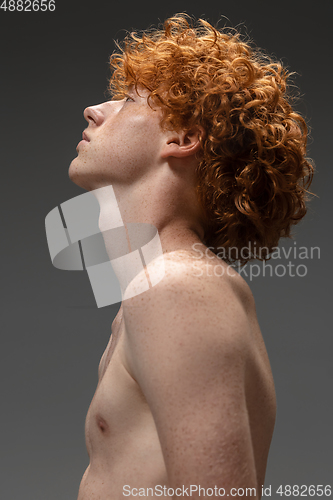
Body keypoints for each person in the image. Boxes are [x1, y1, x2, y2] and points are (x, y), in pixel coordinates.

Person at [68, 14, 313, 499]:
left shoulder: (177, 287)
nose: (94, 110)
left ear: (182, 140)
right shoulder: (157, 291)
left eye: (130, 101)